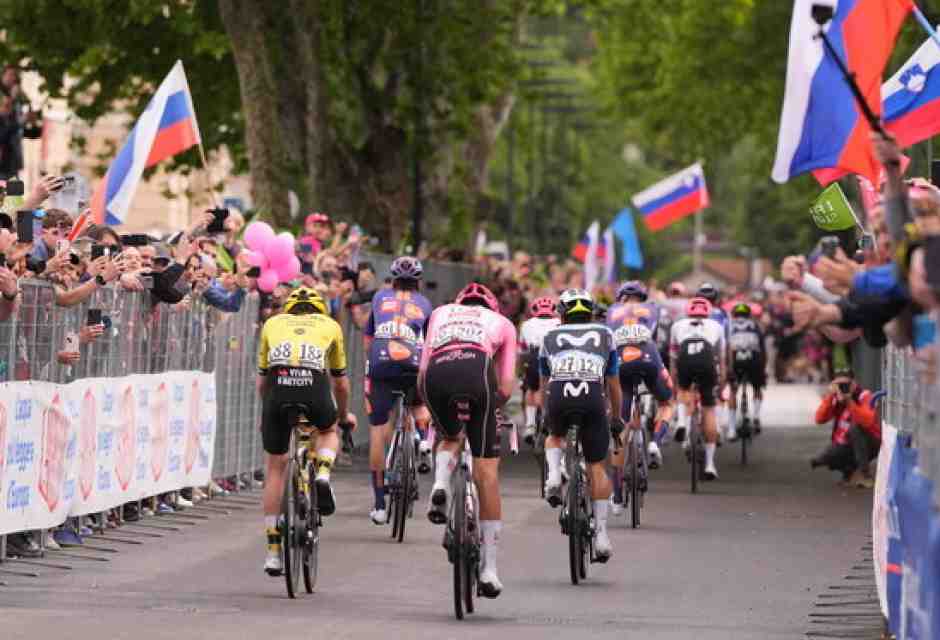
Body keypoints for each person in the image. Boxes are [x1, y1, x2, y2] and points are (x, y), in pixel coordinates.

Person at [419, 282, 516, 598]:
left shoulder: (439, 313)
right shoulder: (503, 323)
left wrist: (430, 403)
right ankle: (489, 569)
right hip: (477, 372)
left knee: (450, 434)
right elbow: (506, 387)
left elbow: (422, 370)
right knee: (486, 473)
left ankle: (441, 484)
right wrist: (489, 408)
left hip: (436, 375)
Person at [256, 286, 352, 576]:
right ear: (319, 310)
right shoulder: (330, 325)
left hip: (278, 389)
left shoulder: (272, 323)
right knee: (328, 429)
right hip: (314, 387)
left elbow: (262, 382)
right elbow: (341, 383)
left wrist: (268, 412)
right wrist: (342, 416)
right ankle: (322, 473)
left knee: (275, 467)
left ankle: (273, 551)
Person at [540, 288, 622, 562]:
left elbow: (544, 382)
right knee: (597, 465)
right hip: (592, 396)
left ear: (562, 315)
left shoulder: (549, 336)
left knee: (554, 435)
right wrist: (616, 418)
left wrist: (545, 415)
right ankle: (601, 536)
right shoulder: (606, 334)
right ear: (591, 314)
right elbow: (613, 384)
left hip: (559, 394)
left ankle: (554, 476)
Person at [362, 256, 433, 525]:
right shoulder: (425, 303)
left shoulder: (379, 298)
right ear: (418, 281)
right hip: (412, 360)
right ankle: (423, 439)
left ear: (392, 279)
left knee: (378, 428)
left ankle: (380, 505)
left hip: (381, 360)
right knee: (419, 404)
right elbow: (428, 342)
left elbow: (368, 340)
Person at [607, 281, 674, 470]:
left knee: (622, 423)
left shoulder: (612, 310)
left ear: (621, 298)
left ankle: (617, 486)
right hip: (648, 356)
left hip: (621, 360)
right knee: (667, 403)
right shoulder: (653, 308)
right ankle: (655, 443)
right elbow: (659, 339)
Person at [670, 297, 726, 480]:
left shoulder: (677, 325)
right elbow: (721, 358)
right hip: (706, 360)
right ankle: (710, 464)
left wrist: (674, 382)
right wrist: (722, 381)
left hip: (685, 358)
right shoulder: (716, 326)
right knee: (709, 408)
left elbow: (673, 357)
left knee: (683, 390)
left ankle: (681, 422)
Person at [812, 368, 880, 488]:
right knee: (825, 458)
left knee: (855, 428)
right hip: (846, 443)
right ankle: (849, 472)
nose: (842, 388)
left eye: (845, 384)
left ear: (854, 383)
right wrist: (830, 396)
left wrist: (849, 401)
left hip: (870, 442)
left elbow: (867, 421)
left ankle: (865, 475)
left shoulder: (864, 395)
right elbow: (819, 419)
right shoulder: (835, 398)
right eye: (838, 385)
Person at [518, 296, 559, 445]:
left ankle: (530, 424)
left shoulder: (526, 325)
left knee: (531, 388)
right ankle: (549, 418)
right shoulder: (559, 323)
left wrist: (520, 372)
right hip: (554, 356)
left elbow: (522, 350)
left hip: (534, 356)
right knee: (552, 389)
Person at [727, 302, 767, 440]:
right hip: (753, 361)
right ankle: (756, 416)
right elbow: (763, 349)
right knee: (757, 388)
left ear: (734, 314)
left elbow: (725, 348)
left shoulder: (729, 325)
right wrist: (763, 368)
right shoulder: (755, 326)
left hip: (735, 361)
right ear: (748, 315)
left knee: (733, 391)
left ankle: (731, 428)